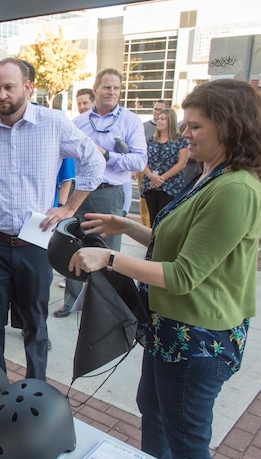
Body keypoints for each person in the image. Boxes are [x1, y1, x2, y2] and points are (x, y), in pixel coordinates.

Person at [69, 79, 261, 459]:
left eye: (195, 126)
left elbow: (182, 275)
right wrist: (126, 226)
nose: (184, 133)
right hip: (169, 331)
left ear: (229, 127)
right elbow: (176, 241)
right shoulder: (211, 174)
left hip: (197, 342)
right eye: (185, 123)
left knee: (186, 440)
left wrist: (110, 258)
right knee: (154, 416)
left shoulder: (236, 189)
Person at [0, 57, 105, 379]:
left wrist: (69, 208)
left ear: (28, 87)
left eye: (9, 87)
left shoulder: (54, 123)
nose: (2, 95)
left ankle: (37, 388)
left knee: (35, 322)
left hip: (35, 243)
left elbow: (93, 161)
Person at [54, 68, 147, 318]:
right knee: (73, 243)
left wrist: (107, 155)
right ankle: (71, 301)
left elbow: (139, 162)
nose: (112, 92)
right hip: (80, 191)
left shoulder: (130, 121)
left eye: (117, 88)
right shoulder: (80, 122)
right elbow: (63, 156)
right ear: (95, 89)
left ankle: (104, 306)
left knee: (108, 249)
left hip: (109, 192)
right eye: (107, 87)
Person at [141, 108, 189, 223]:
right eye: (158, 119)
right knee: (153, 218)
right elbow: (142, 160)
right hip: (151, 184)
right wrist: (152, 177)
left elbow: (182, 163)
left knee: (165, 219)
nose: (159, 121)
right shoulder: (150, 140)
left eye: (163, 119)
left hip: (170, 185)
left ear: (170, 121)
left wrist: (162, 178)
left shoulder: (180, 140)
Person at [138, 100, 169, 227]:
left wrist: (161, 177)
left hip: (165, 176)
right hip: (146, 171)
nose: (157, 113)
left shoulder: (176, 136)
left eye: (161, 110)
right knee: (145, 202)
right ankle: (146, 228)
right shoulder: (144, 127)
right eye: (155, 109)